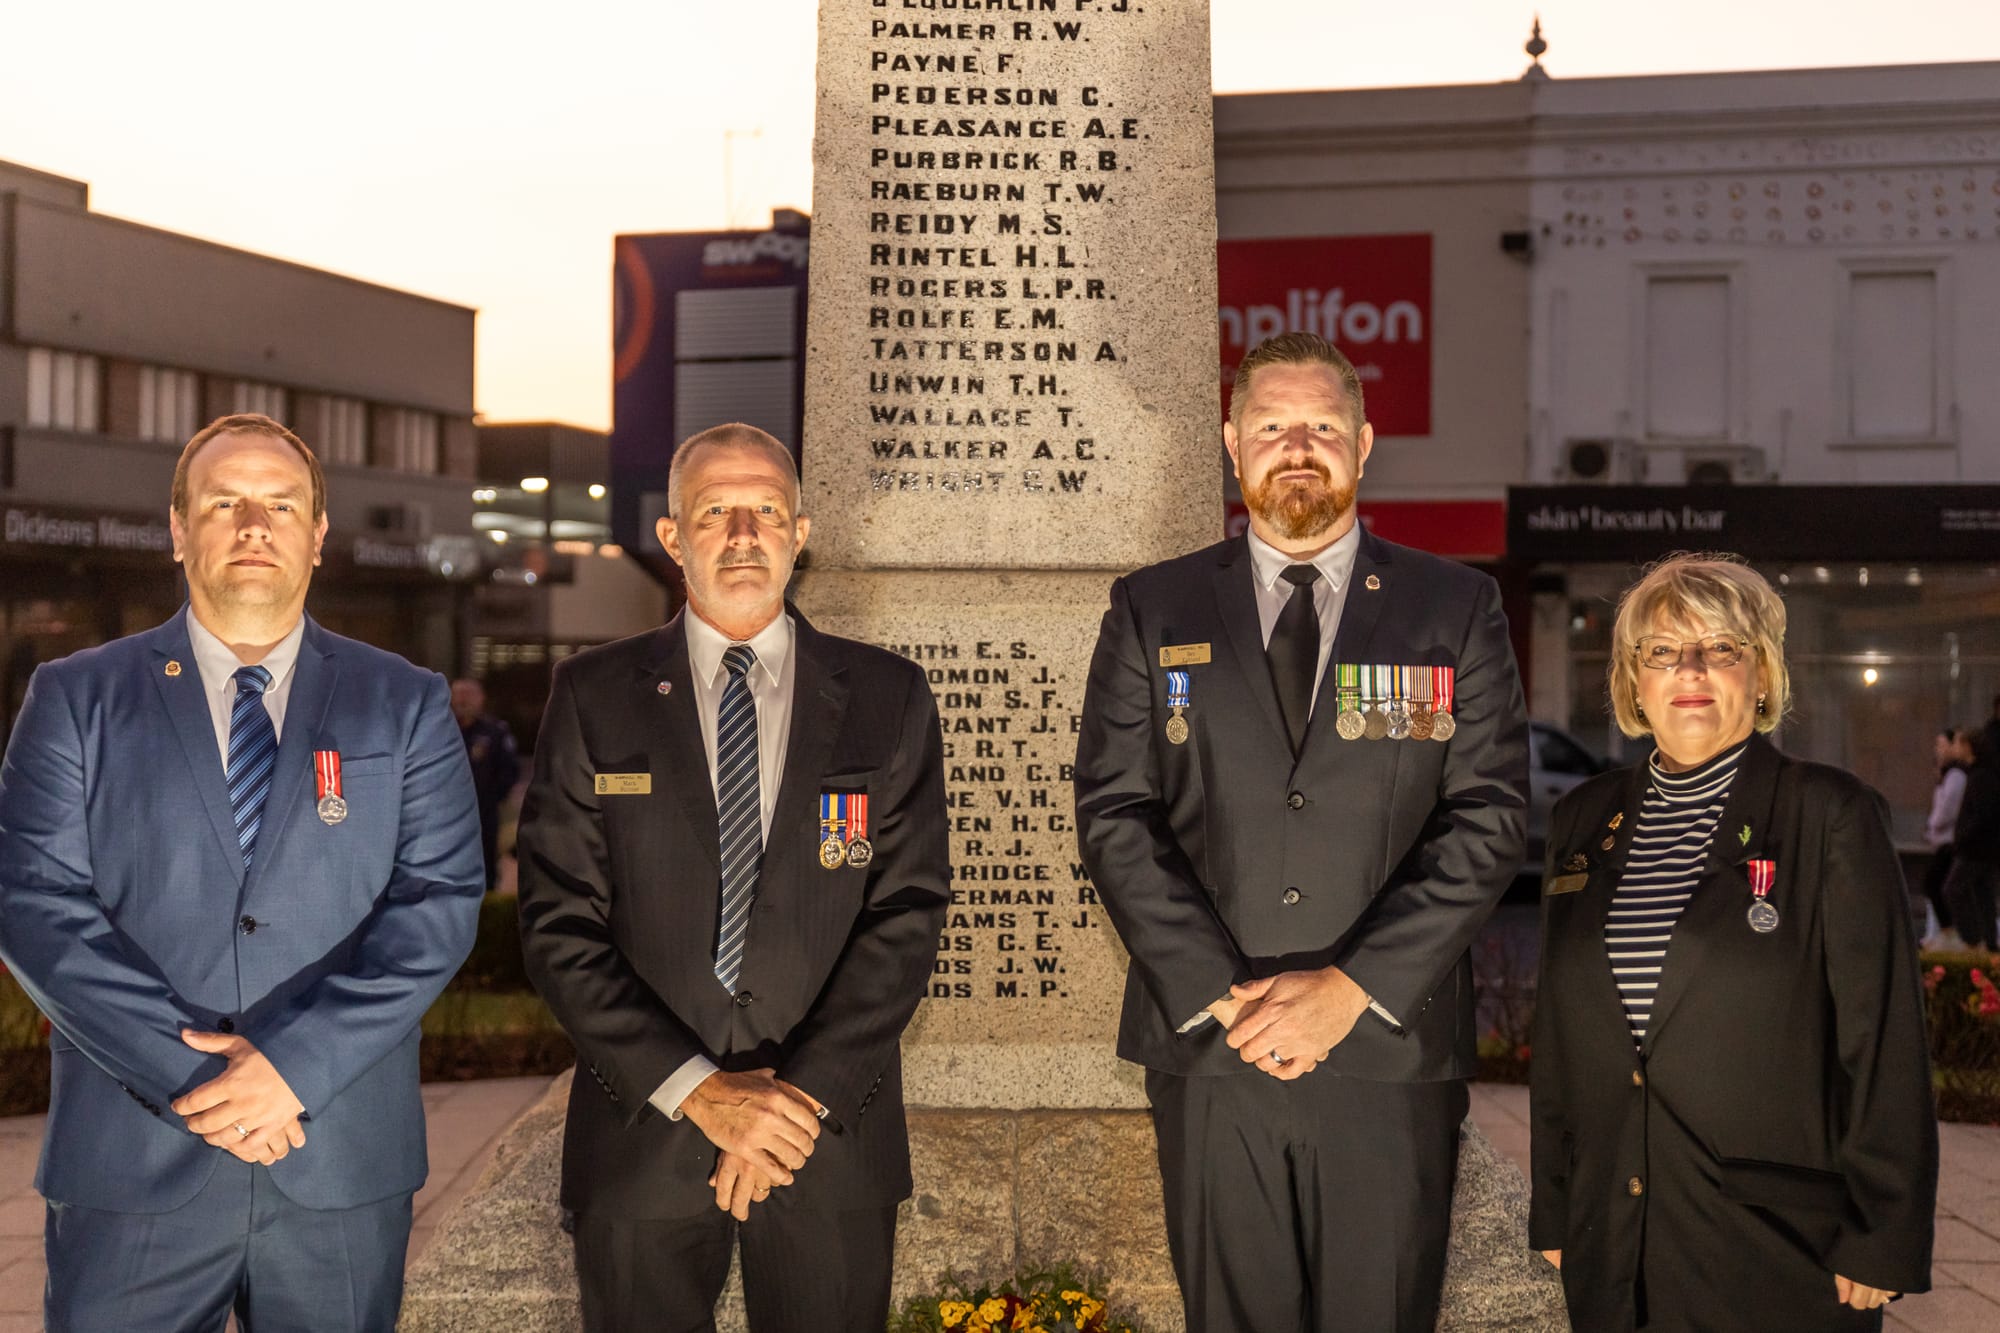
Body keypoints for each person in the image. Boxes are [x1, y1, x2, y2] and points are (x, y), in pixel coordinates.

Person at [1073, 331, 1529, 1332]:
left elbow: (1488, 816)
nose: (1297, 446)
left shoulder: (1452, 608)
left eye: (1321, 425)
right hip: (1212, 1049)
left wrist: (1350, 988)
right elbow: (1113, 811)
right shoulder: (1152, 608)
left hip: (1383, 1052)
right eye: (1271, 425)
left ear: (1363, 444)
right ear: (1230, 443)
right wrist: (1221, 994)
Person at [0, 413, 485, 1328]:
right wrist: (203, 1086)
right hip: (136, 1162)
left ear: (318, 534)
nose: (254, 524)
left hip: (336, 1159)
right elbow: (36, 908)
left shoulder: (405, 702)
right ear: (179, 531)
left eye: (281, 503)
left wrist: (292, 1068)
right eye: (225, 502)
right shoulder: (77, 697)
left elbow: (439, 903)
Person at [515, 423, 949, 1331]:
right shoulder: (593, 694)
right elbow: (559, 922)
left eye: (765, 511)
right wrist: (703, 1091)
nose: (743, 532)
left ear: (801, 531)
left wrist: (795, 1098)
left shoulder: (888, 694)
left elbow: (906, 915)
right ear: (674, 537)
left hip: (824, 1139)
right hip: (645, 1137)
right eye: (716, 511)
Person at [1529, 553, 1937, 1330]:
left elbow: (1883, 1041)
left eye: (1721, 647)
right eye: (1662, 650)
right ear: (1633, 679)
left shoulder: (1828, 813)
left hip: (1775, 1245)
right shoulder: (1582, 818)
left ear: (1760, 676)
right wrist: (1556, 1206)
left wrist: (1883, 1234)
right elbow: (1561, 1034)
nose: (1691, 668)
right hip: (1613, 1235)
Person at [451, 677, 520, 891]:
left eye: (468, 694)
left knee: (485, 868)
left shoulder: (494, 732)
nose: (463, 700)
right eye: (458, 694)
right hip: (445, 815)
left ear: (481, 699)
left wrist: (490, 799)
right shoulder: (441, 730)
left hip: (483, 814)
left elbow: (509, 771)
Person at [1946, 727, 2000, 951]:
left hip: (1976, 850)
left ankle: (1973, 940)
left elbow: (1981, 815)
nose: (1955, 748)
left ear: (1969, 747)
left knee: (1954, 889)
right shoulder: (1980, 774)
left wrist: (1963, 838)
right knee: (1983, 895)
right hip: (1983, 849)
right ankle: (1988, 944)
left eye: (1959, 743)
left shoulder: (1981, 777)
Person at [1922, 728, 1967, 949]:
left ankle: (1954, 933)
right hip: (1942, 840)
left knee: (1937, 885)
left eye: (1942, 744)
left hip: (1951, 842)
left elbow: (1948, 808)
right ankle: (1947, 933)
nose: (1938, 750)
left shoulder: (1957, 775)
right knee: (1937, 886)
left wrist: (1933, 825)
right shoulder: (1947, 773)